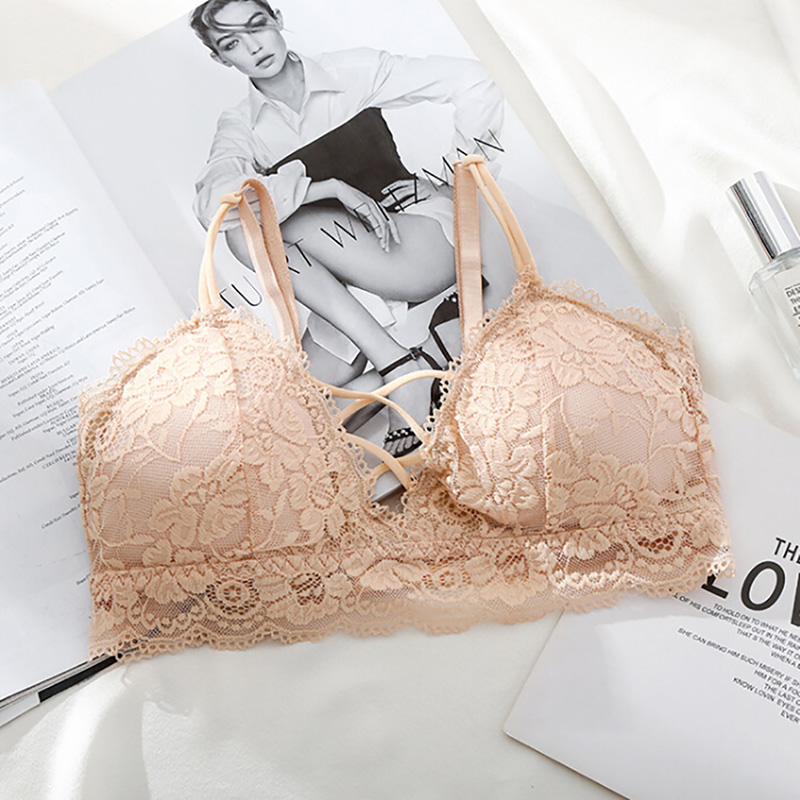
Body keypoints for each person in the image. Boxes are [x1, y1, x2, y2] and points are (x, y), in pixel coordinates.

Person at [191, 0, 508, 455]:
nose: (253, 46)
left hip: (415, 242)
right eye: (231, 43)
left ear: (277, 19)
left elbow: (474, 79)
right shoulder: (241, 125)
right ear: (220, 58)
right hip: (347, 281)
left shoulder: (352, 72)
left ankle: (401, 368)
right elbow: (214, 202)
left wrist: (454, 180)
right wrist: (324, 189)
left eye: (257, 25)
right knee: (304, 416)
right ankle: (419, 354)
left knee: (247, 231)